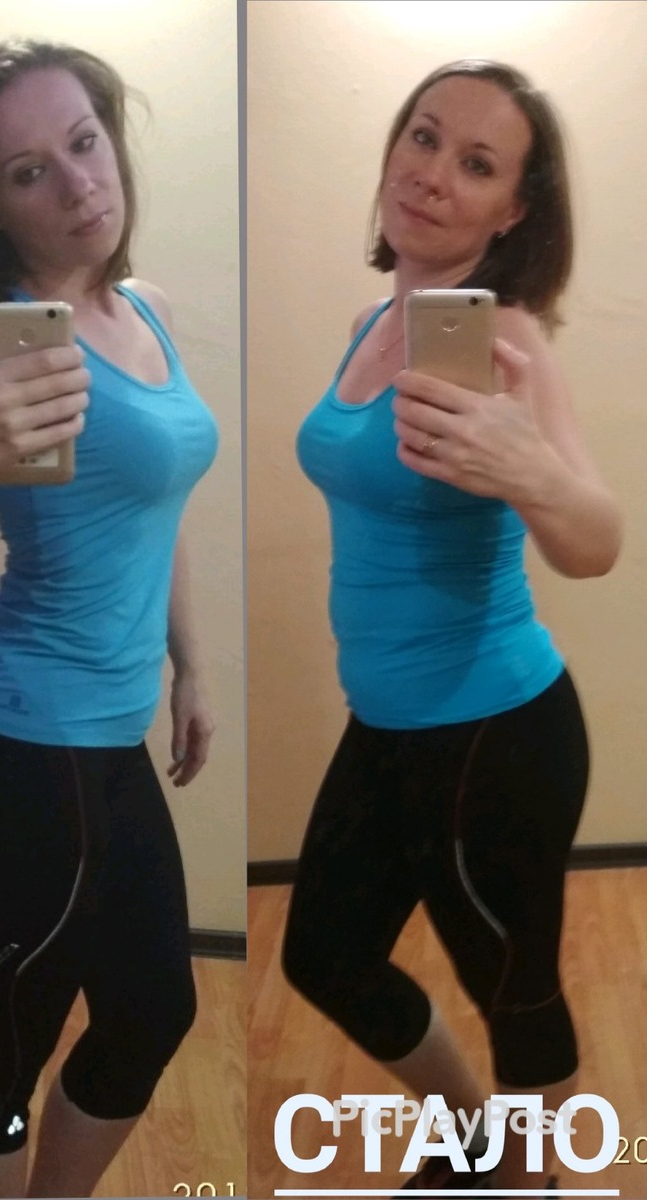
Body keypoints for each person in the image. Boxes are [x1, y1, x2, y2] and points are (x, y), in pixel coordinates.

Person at [0, 38, 219, 1200]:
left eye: (83, 142)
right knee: (0, 1057)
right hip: (24, 751)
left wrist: (190, 664)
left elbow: (152, 510)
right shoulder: (6, 345)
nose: (78, 184)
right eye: (30, 172)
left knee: (153, 1008)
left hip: (106, 740)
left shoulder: (144, 310)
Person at [283, 60, 622, 1197]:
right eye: (423, 137)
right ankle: (475, 1144)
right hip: (386, 723)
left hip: (494, 732)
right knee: (323, 954)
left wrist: (530, 469)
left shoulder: (506, 341)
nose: (431, 174)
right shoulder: (371, 325)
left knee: (516, 994)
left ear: (513, 211)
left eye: (476, 164)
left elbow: (594, 538)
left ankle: (531, 1182)